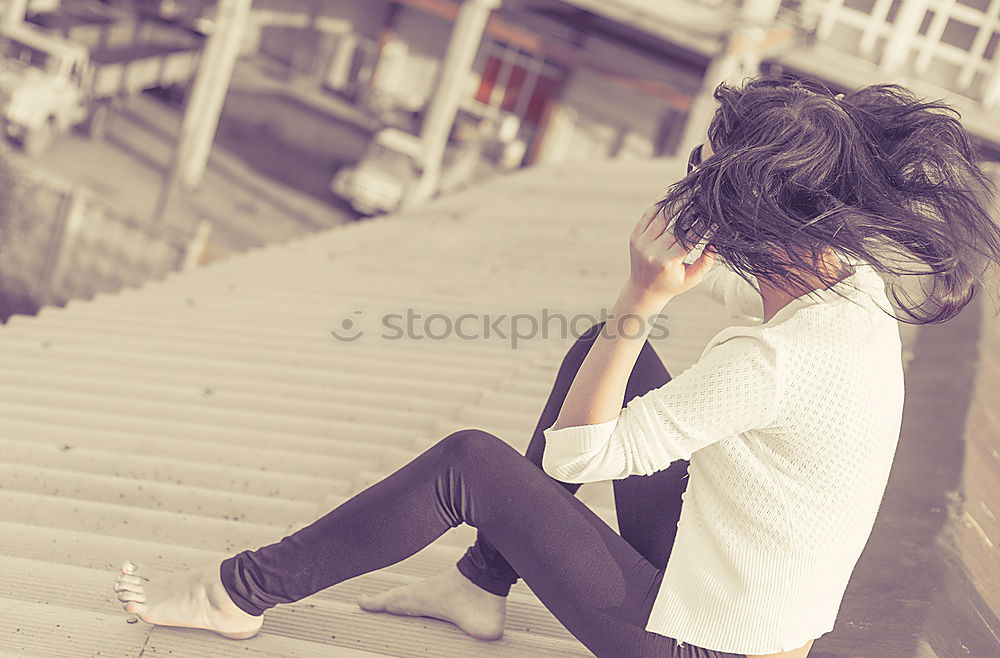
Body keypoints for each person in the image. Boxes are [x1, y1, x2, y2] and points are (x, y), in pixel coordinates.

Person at [111, 74, 1000, 658]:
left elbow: (580, 458)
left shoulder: (771, 361)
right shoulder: (853, 291)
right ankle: (477, 587)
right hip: (738, 602)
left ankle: (241, 592)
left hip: (700, 646)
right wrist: (642, 307)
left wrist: (640, 295)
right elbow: (730, 297)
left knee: (472, 462)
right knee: (602, 355)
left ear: (760, 223)